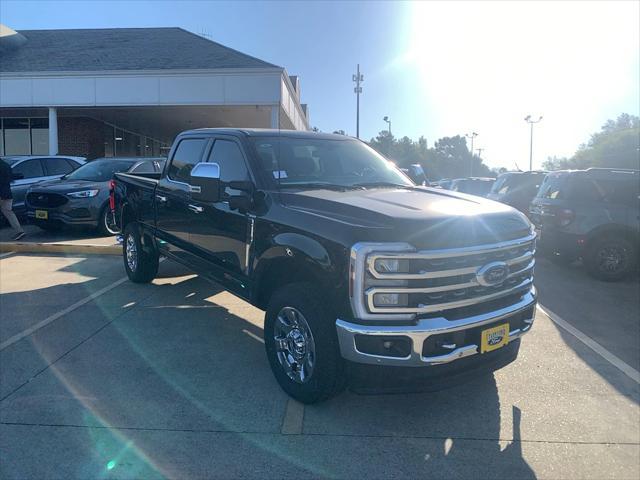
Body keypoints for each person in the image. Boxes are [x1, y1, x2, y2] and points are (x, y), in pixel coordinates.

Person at [0, 158, 26, 240]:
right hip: (7, 193)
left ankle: (20, 231)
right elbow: (10, 178)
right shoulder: (6, 165)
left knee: (7, 212)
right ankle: (19, 231)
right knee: (8, 212)